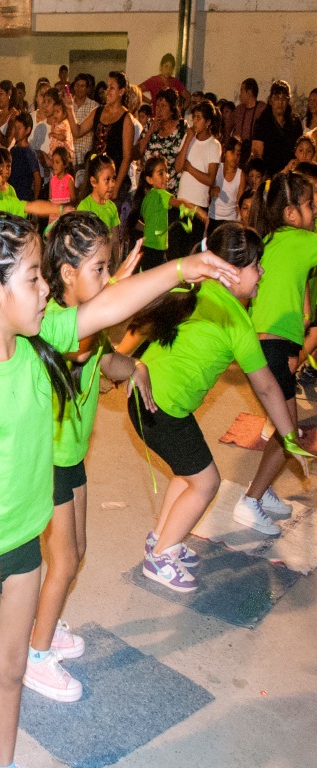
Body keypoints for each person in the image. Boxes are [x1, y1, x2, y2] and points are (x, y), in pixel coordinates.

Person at [0, 211, 238, 768]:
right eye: (34, 279)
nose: (46, 293)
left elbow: (106, 307)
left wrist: (182, 268)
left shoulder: (45, 343)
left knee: (12, 675)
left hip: (24, 550)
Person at [123, 223, 307, 591]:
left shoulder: (200, 288)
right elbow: (269, 388)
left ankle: (162, 539)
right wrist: (290, 439)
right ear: (232, 271)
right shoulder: (235, 319)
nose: (262, 273)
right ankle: (159, 558)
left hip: (148, 400)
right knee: (207, 482)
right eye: (257, 265)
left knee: (187, 473)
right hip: (160, 407)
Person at [22, 212, 146, 702]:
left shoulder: (87, 323)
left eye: (107, 267)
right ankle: (34, 654)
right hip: (48, 458)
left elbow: (102, 358)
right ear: (68, 273)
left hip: (72, 456)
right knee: (64, 560)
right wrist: (116, 292)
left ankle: (43, 625)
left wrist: (133, 367)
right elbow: (82, 347)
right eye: (98, 269)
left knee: (76, 551)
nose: (105, 277)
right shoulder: (55, 322)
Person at [238, 172, 317, 530]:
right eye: (310, 204)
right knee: (291, 435)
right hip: (269, 347)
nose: (315, 210)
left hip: (265, 344)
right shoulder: (301, 240)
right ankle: (251, 499)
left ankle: (263, 488)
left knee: (283, 425)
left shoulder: (269, 239)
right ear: (290, 214)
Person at [64, 72, 134, 202]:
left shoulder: (126, 119)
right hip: (95, 179)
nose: (107, 91)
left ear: (121, 91)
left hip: (113, 180)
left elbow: (127, 157)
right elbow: (77, 132)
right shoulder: (98, 111)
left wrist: (116, 187)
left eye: (112, 88)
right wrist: (69, 108)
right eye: (107, 87)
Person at [131, 156, 205, 272]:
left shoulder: (148, 197)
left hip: (150, 248)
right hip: (154, 249)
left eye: (166, 172)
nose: (167, 176)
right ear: (149, 180)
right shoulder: (160, 194)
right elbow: (180, 203)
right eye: (161, 173)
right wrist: (201, 213)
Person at [171, 100, 221, 257]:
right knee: (176, 249)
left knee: (190, 250)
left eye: (199, 118)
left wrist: (190, 168)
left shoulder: (213, 145)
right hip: (182, 203)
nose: (195, 122)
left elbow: (210, 179)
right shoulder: (189, 138)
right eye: (194, 118)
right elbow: (178, 167)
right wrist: (187, 140)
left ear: (208, 122)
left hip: (198, 205)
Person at [252, 81, 303, 176]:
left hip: (291, 172)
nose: (280, 102)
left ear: (288, 101)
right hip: (269, 173)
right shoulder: (262, 121)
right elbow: (257, 153)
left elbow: (300, 148)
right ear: (271, 100)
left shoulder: (295, 122)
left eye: (284, 98)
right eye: (277, 98)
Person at [208, 136, 243, 234]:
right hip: (213, 216)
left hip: (230, 220)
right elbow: (207, 190)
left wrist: (239, 222)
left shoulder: (240, 175)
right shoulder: (217, 168)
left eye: (238, 154)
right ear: (225, 152)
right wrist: (212, 190)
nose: (235, 157)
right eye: (232, 152)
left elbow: (239, 203)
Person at [76, 153, 120, 232]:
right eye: (107, 180)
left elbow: (115, 239)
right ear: (93, 182)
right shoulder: (85, 207)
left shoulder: (112, 207)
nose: (112, 184)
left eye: (113, 178)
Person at [232, 79, 265, 166]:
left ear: (249, 92)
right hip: (240, 153)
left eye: (242, 91)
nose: (240, 94)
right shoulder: (238, 110)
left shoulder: (262, 109)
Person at [9, 112, 41, 202]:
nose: (16, 131)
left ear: (28, 130)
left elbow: (37, 178)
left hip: (24, 198)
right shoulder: (13, 150)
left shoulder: (29, 153)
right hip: (12, 197)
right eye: (15, 127)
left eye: (19, 128)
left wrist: (34, 199)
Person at [48, 147, 75, 225]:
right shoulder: (52, 180)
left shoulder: (69, 179)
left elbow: (73, 200)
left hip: (65, 214)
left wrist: (62, 207)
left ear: (65, 164)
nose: (54, 165)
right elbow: (50, 198)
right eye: (53, 162)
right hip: (54, 214)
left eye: (57, 162)